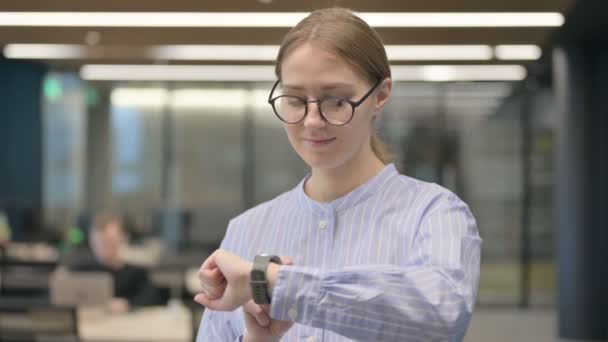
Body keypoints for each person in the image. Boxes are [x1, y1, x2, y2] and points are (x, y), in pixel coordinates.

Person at [194, 7, 482, 342]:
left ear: (381, 95)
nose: (312, 120)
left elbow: (441, 317)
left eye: (336, 100)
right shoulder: (246, 230)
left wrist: (277, 284)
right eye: (295, 99)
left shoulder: (434, 214)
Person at [70, 211, 164, 313]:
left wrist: (128, 305)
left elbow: (152, 300)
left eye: (109, 242)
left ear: (124, 238)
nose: (104, 247)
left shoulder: (137, 274)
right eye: (99, 242)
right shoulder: (78, 272)